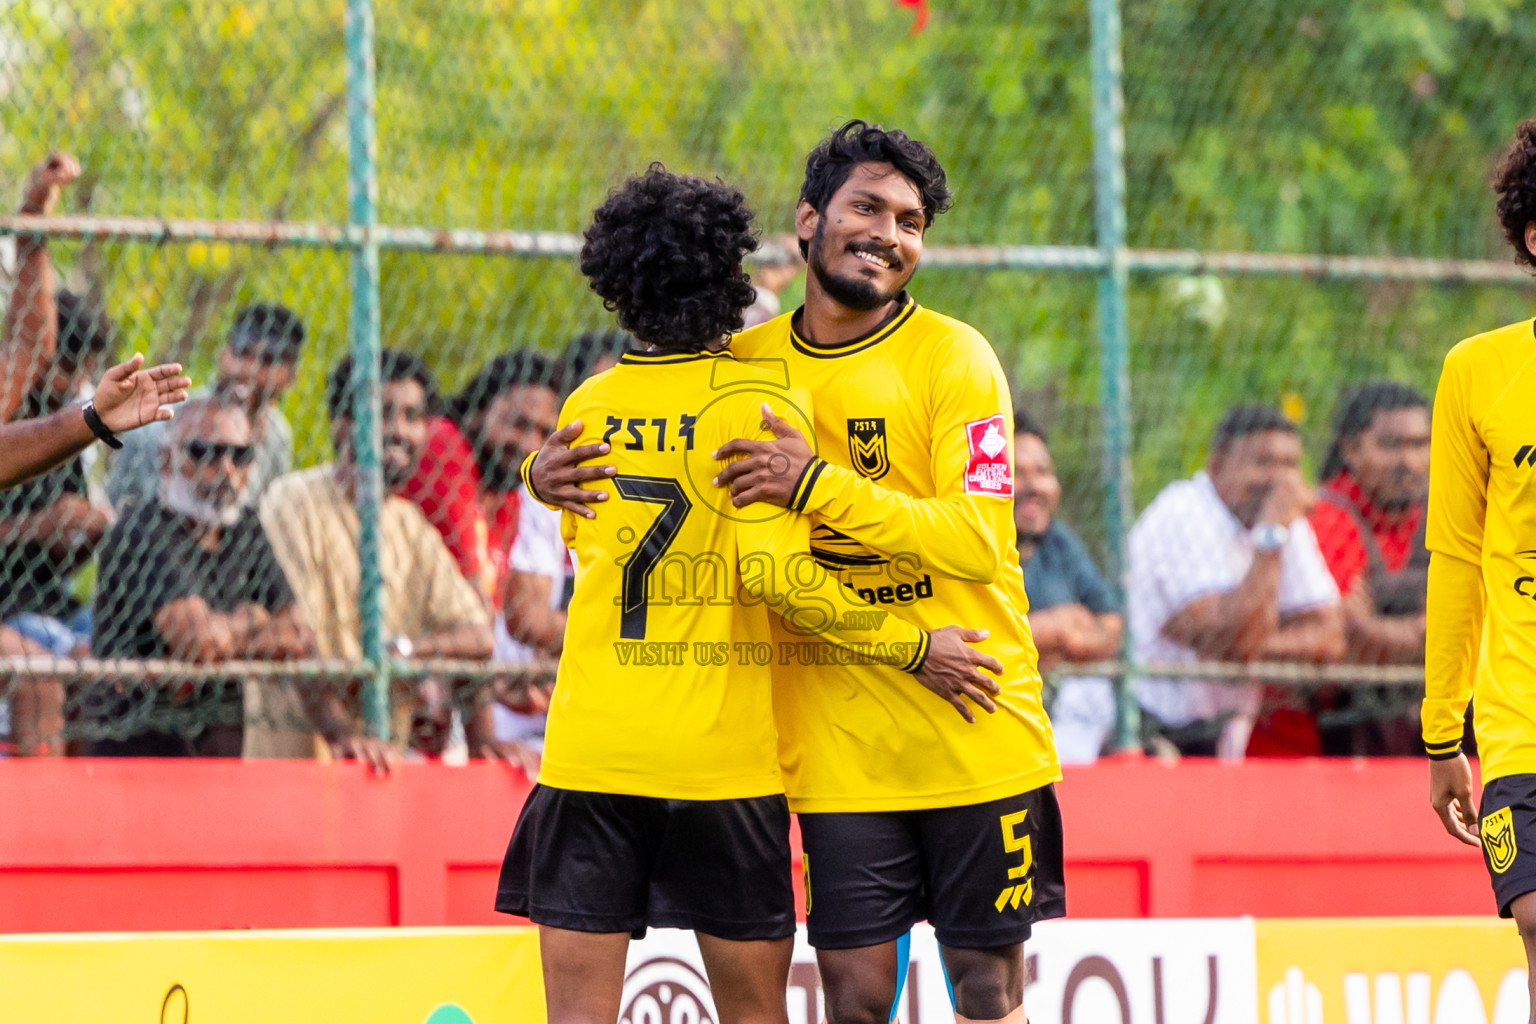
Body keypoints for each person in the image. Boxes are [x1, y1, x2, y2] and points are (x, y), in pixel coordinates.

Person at [530, 122, 1062, 1024]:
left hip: (974, 715)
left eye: (911, 220)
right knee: (854, 997)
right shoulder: (743, 366)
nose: (889, 233)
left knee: (986, 986)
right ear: (808, 220)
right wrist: (535, 477)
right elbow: (655, 425)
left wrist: (815, 483)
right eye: (868, 207)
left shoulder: (958, 357)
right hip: (833, 747)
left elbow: (978, 540)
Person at [0, 151, 191, 756]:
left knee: (109, 662)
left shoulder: (41, 393)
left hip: (51, 605)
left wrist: (33, 218)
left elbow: (30, 339)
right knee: (38, 675)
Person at [255, 350, 499, 772]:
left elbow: (477, 637)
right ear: (341, 424)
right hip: (296, 763)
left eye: (412, 416)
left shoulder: (409, 524)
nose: (399, 430)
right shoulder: (291, 501)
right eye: (383, 413)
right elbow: (298, 643)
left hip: (378, 766)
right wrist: (345, 736)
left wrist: (404, 653)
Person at [1425, 114, 1536, 1018]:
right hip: (1517, 713)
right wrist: (1438, 733)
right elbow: (1455, 558)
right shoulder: (1479, 372)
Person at [87, 398, 314, 756]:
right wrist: (253, 618)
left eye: (239, 456)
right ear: (167, 462)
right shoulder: (142, 529)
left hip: (217, 747)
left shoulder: (246, 528)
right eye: (204, 452)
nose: (225, 469)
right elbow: (199, 642)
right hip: (138, 748)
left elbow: (297, 633)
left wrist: (229, 634)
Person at [1129, 405, 1344, 759]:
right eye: (1262, 463)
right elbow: (1233, 638)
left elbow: (1330, 636)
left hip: (1217, 737)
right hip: (1139, 728)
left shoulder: (1279, 515)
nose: (1280, 480)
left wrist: (1245, 643)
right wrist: (1271, 533)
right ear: (1217, 466)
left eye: (1290, 465)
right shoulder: (1183, 510)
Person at [1308, 382, 1431, 755]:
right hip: (1347, 726)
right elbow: (1347, 638)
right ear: (1351, 448)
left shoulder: (1448, 512)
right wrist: (1434, 632)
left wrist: (1377, 629)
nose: (1407, 461)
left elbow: (1487, 621)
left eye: (1419, 444)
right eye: (1390, 445)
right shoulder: (1327, 516)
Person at [108, 303, 303, 511]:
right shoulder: (161, 423)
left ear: (291, 376)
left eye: (267, 360)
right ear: (223, 354)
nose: (249, 368)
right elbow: (119, 508)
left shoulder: (277, 436)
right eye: (242, 352)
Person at [1013, 409, 1122, 763]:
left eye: (1043, 472)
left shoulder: (1058, 542)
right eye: (1016, 473)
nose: (1033, 486)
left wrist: (1061, 639)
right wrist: (1059, 625)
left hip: (1065, 713)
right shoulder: (974, 545)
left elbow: (1111, 625)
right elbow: (983, 643)